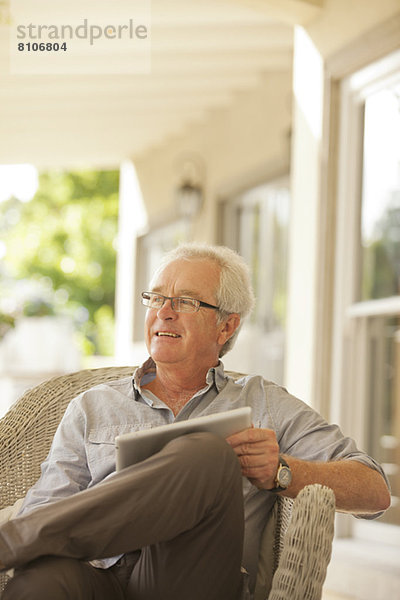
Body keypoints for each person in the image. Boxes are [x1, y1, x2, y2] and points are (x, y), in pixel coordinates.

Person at [0, 243, 391, 600]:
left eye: (186, 301)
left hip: (189, 582)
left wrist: (282, 471)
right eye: (155, 297)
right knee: (37, 583)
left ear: (226, 326)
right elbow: (46, 506)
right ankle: (16, 543)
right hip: (99, 581)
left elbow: (375, 491)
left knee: (206, 451)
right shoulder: (92, 407)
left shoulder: (264, 402)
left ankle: (9, 542)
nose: (163, 311)